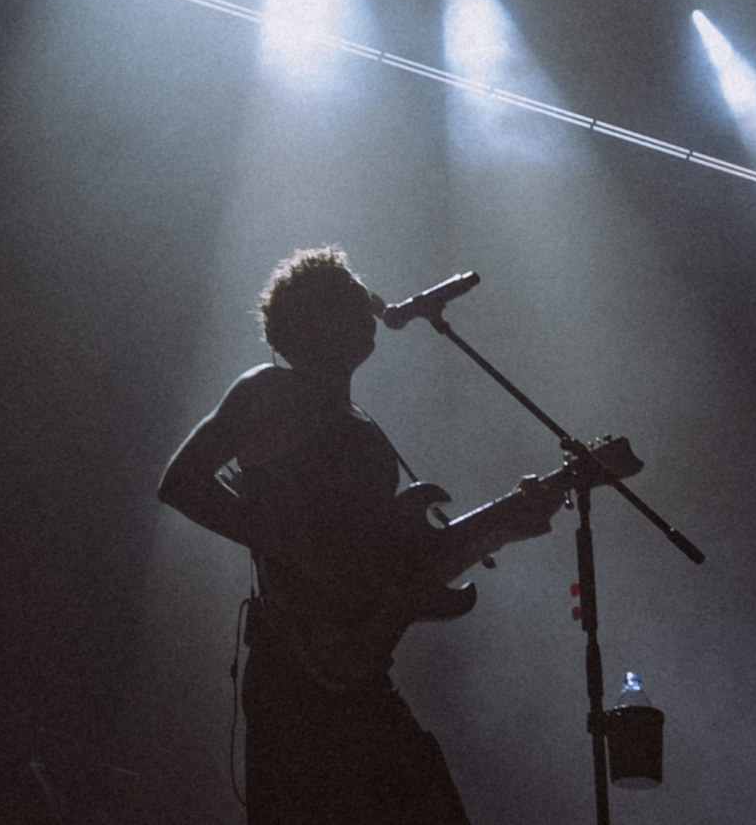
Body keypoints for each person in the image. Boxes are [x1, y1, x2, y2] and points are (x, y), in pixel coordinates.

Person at [159, 247, 555, 823]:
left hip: (360, 668)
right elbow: (180, 482)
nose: (368, 311)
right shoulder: (269, 390)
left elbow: (393, 571)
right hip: (296, 672)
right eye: (349, 302)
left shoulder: (365, 425)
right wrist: (292, 547)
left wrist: (501, 527)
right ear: (314, 322)